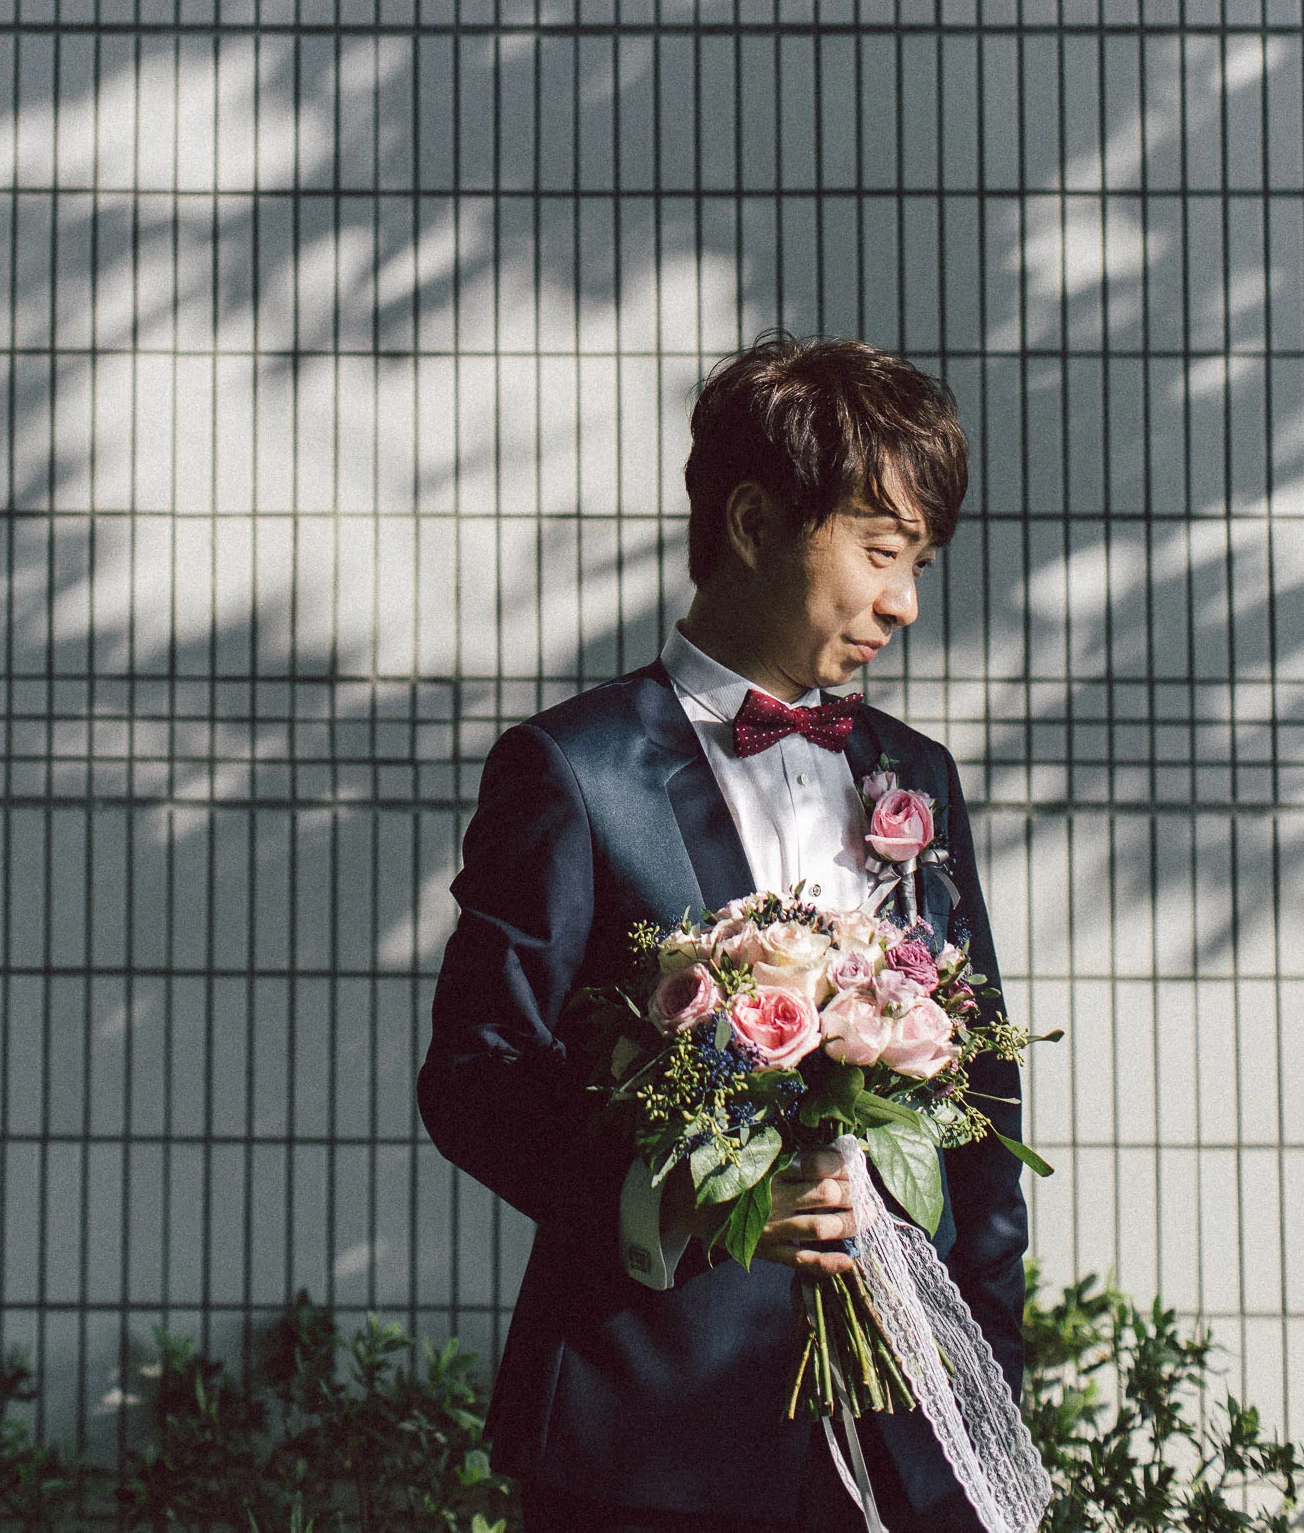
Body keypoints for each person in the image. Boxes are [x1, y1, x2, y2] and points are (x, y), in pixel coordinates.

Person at [418, 335, 1028, 1533]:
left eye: (915, 565)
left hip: (907, 1423)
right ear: (752, 523)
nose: (903, 602)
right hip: (649, 1435)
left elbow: (982, 1103)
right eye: (881, 553)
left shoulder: (916, 775)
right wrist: (686, 1196)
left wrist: (988, 1375)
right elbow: (474, 1075)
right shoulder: (575, 771)